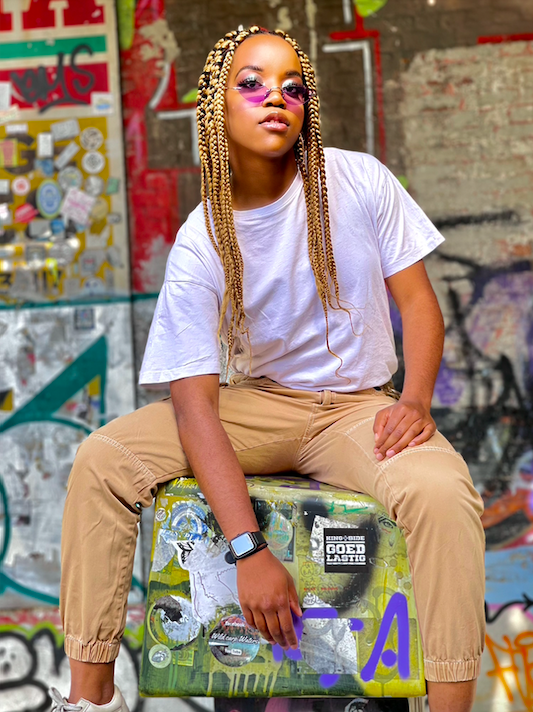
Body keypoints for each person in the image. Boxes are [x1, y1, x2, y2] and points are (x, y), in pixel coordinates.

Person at [50, 26, 485, 712]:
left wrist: (416, 401)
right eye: (251, 84)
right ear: (216, 107)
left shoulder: (358, 180)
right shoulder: (202, 239)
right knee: (102, 460)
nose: (275, 97)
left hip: (357, 408)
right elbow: (195, 407)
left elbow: (419, 305)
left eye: (292, 86)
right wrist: (249, 551)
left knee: (440, 492)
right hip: (254, 404)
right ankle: (90, 699)